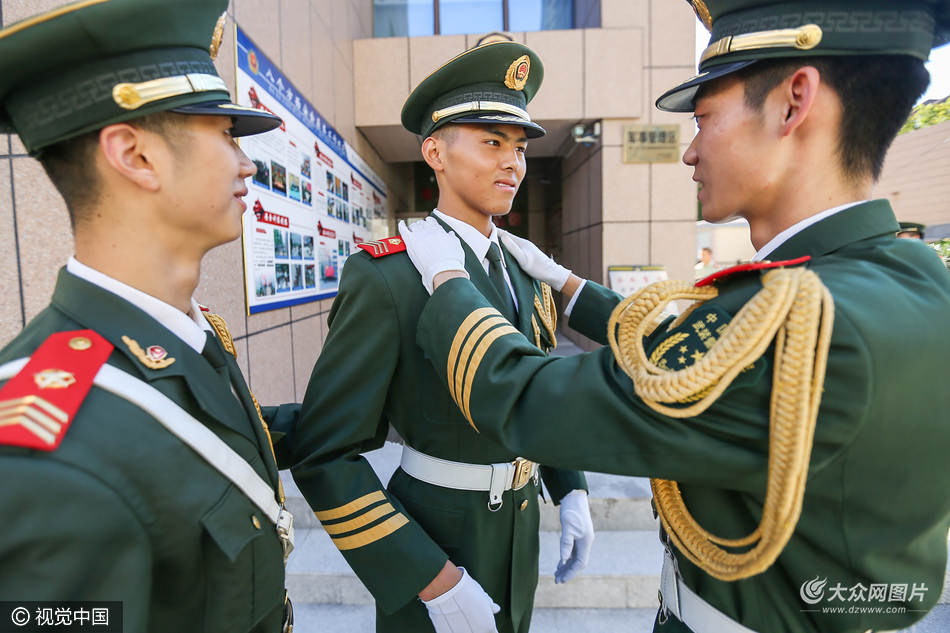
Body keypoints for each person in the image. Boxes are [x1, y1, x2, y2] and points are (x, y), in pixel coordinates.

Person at [397, 1, 950, 632]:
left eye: (705, 117)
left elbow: (525, 397)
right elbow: (680, 351)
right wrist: (572, 287)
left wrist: (446, 279)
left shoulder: (793, 321)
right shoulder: (913, 277)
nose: (690, 152)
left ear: (794, 101)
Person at [0, 1, 300, 631]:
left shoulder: (183, 339)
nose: (248, 162)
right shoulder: (52, 459)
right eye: (223, 133)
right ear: (135, 156)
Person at [289, 42, 593, 633]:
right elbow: (327, 453)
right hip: (433, 533)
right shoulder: (389, 275)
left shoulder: (525, 267)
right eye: (491, 142)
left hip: (520, 525)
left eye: (521, 147)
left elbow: (535, 388)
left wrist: (569, 485)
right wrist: (430, 577)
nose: (513, 163)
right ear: (435, 152)